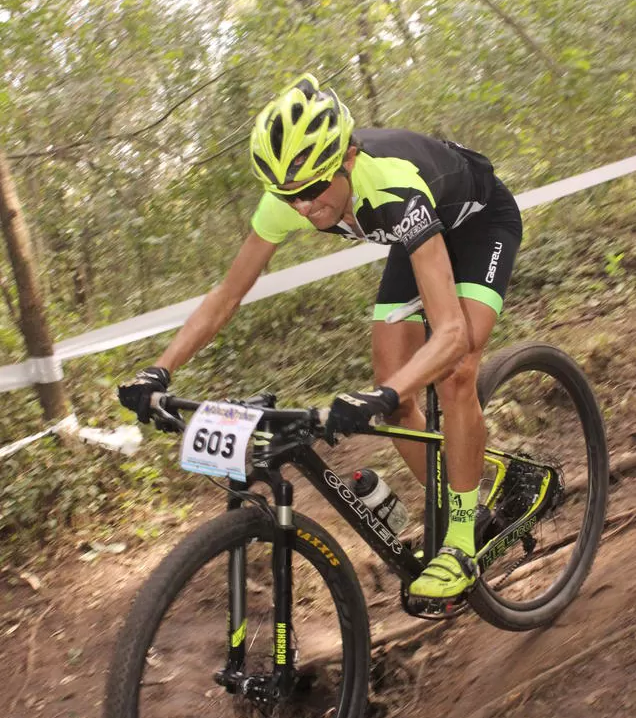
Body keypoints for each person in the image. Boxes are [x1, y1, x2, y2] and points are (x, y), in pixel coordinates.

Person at [119, 73, 523, 599]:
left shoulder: (393, 183)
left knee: (456, 368)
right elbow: (227, 296)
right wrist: (161, 368)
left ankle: (462, 544)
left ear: (347, 160)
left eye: (312, 189)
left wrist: (384, 393)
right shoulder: (286, 203)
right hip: (414, 236)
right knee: (396, 393)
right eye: (289, 195)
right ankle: (465, 506)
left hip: (479, 221)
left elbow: (448, 333)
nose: (304, 207)